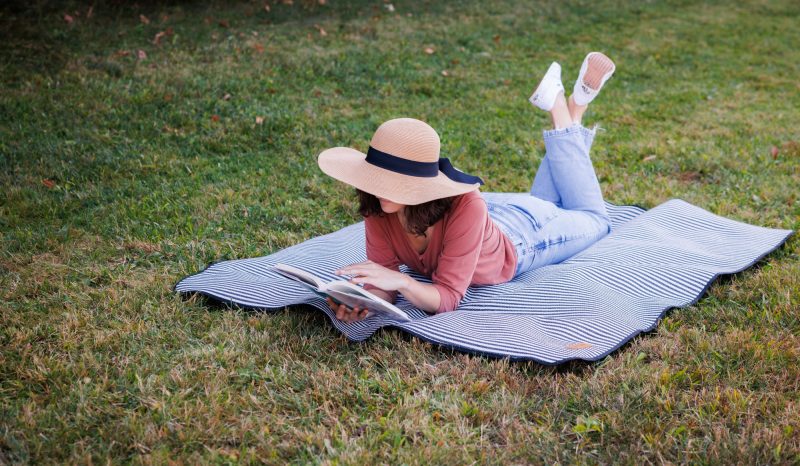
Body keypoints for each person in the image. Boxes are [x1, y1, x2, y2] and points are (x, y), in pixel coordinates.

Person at [317, 52, 617, 323]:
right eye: (376, 177)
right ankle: (573, 111)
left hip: (525, 238)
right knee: (553, 199)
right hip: (486, 224)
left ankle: (563, 109)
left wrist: (405, 282)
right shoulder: (379, 205)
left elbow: (447, 297)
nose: (380, 188)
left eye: (393, 181)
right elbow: (386, 282)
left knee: (596, 219)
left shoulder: (466, 205)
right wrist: (363, 301)